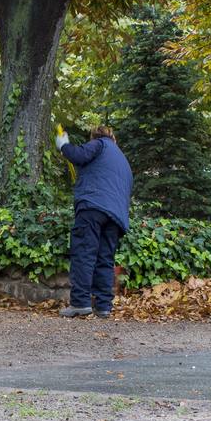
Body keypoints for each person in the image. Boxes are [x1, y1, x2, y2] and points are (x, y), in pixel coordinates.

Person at [58, 125, 133, 319]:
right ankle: (103, 306)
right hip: (116, 216)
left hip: (93, 206)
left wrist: (64, 146)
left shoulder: (99, 144)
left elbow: (79, 156)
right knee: (105, 259)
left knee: (84, 253)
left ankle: (80, 303)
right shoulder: (122, 159)